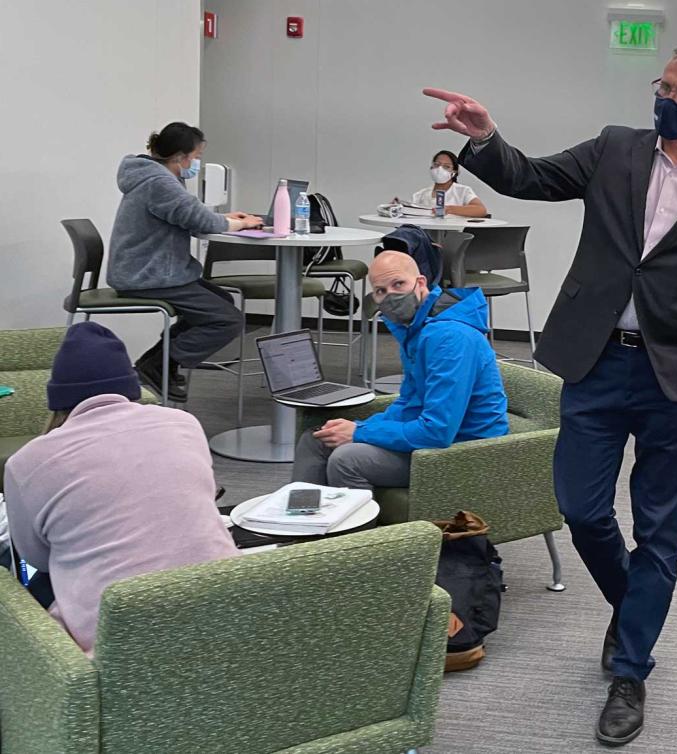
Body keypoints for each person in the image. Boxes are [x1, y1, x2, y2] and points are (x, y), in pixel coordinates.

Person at [425, 38, 677, 746]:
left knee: (659, 527)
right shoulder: (615, 148)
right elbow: (531, 176)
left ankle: (630, 669)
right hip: (595, 361)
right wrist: (485, 138)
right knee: (582, 509)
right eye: (662, 87)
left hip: (676, 374)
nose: (666, 101)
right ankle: (633, 602)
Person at [3, 322, 239, 655]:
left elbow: (35, 557)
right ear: (131, 386)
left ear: (57, 400)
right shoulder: (184, 423)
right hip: (227, 614)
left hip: (116, 647)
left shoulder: (27, 463)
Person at [292, 250, 508, 490]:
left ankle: (361, 528)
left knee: (347, 460)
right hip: (434, 440)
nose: (390, 296)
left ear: (421, 283)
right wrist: (361, 428)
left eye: (398, 284)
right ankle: (301, 520)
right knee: (317, 439)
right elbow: (409, 403)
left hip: (465, 453)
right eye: (381, 291)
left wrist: (360, 432)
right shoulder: (418, 328)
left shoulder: (449, 338)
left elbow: (438, 432)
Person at [107, 121, 263, 402]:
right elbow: (199, 220)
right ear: (180, 156)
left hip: (150, 270)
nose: (197, 163)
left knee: (220, 305)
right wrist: (241, 224)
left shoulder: (152, 176)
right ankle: (159, 364)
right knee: (227, 320)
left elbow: (186, 213)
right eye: (196, 157)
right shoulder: (159, 182)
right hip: (148, 275)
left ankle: (158, 363)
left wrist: (229, 220)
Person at [409, 149, 488, 217]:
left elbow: (481, 210)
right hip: (423, 232)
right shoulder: (420, 194)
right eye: (436, 165)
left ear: (454, 172)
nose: (440, 169)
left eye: (446, 166)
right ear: (431, 168)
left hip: (453, 233)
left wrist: (449, 209)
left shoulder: (462, 191)